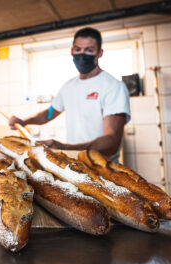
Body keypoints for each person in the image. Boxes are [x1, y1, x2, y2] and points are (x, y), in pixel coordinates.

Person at [9, 27, 130, 163]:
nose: (82, 54)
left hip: (103, 168)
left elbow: (112, 142)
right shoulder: (68, 87)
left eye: (89, 50)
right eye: (78, 49)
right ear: (72, 51)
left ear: (99, 53)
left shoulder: (113, 87)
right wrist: (24, 122)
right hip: (76, 165)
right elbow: (49, 113)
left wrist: (66, 148)